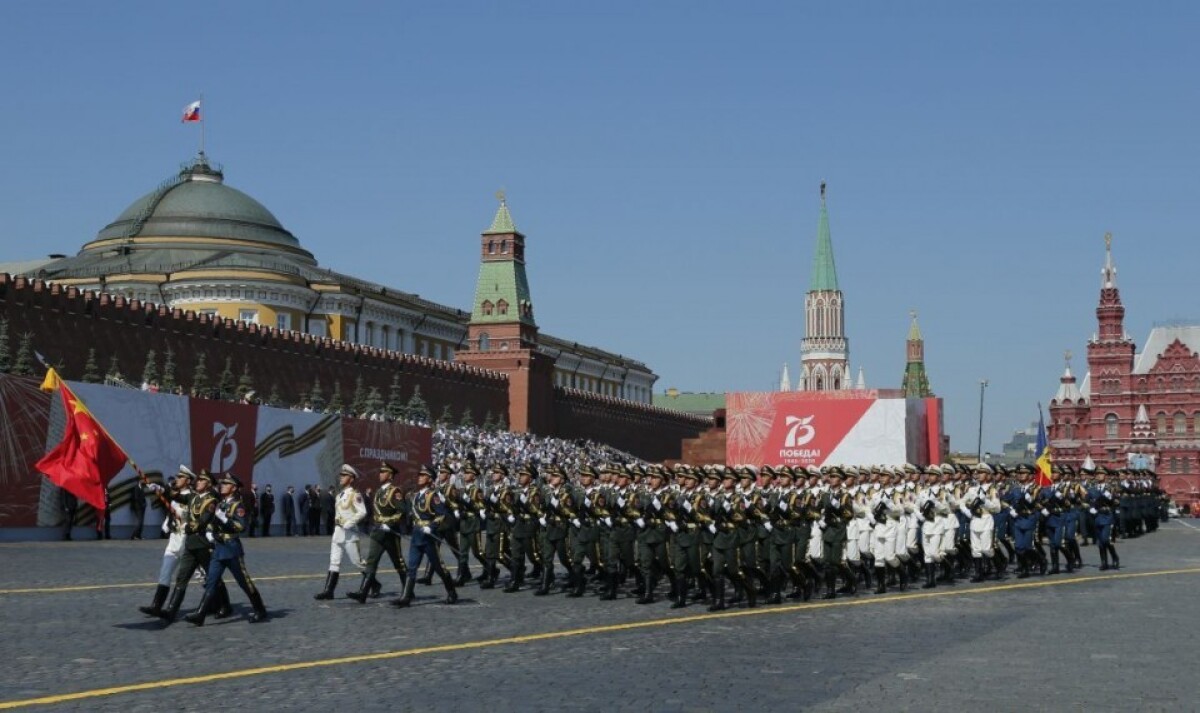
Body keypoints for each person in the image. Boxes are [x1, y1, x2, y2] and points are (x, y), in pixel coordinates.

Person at [147, 470, 232, 624]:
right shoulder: (192, 497)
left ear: (208, 484)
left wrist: (188, 527)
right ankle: (171, 611)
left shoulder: (211, 500)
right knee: (182, 578)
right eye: (197, 480)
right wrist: (160, 489)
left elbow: (204, 520)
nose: (197, 482)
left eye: (201, 480)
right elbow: (176, 496)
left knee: (212, 577)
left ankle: (225, 605)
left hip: (203, 545)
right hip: (190, 545)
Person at [183, 474, 268, 625]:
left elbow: (241, 527)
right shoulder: (220, 504)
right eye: (222, 484)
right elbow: (211, 522)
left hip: (231, 548)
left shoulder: (238, 505)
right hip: (218, 548)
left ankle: (260, 609)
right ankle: (200, 614)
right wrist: (210, 532)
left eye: (226, 484)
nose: (222, 485)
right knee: (211, 581)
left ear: (233, 488)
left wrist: (224, 518)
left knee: (244, 582)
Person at [392, 464, 457, 607]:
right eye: (419, 475)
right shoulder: (415, 496)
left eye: (423, 476)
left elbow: (442, 515)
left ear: (429, 479)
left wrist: (431, 526)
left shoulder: (433, 496)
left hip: (428, 538)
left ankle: (452, 592)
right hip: (416, 536)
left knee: (439, 567)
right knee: (412, 567)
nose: (419, 477)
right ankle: (406, 597)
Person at [347, 462, 408, 602]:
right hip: (377, 532)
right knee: (371, 561)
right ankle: (363, 593)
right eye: (380, 472)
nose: (380, 474)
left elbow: (402, 511)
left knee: (398, 562)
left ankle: (407, 589)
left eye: (383, 472)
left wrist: (390, 523)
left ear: (390, 475)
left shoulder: (395, 492)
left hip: (390, 534)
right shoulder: (379, 491)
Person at [138, 468, 191, 617]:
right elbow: (169, 493)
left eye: (181, 477)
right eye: (177, 476)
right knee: (165, 573)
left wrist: (179, 515)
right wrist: (158, 488)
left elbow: (187, 513)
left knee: (202, 575)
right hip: (174, 540)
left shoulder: (192, 496)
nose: (177, 478)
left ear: (187, 480)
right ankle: (156, 606)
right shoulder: (175, 493)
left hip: (187, 541)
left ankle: (218, 602)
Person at [315, 465, 370, 600]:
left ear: (351, 479)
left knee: (357, 562)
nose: (341, 477)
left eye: (344, 476)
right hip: (338, 532)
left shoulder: (355, 494)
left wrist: (350, 522)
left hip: (350, 533)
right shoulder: (339, 495)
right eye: (341, 475)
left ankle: (374, 584)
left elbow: (362, 512)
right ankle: (329, 591)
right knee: (334, 561)